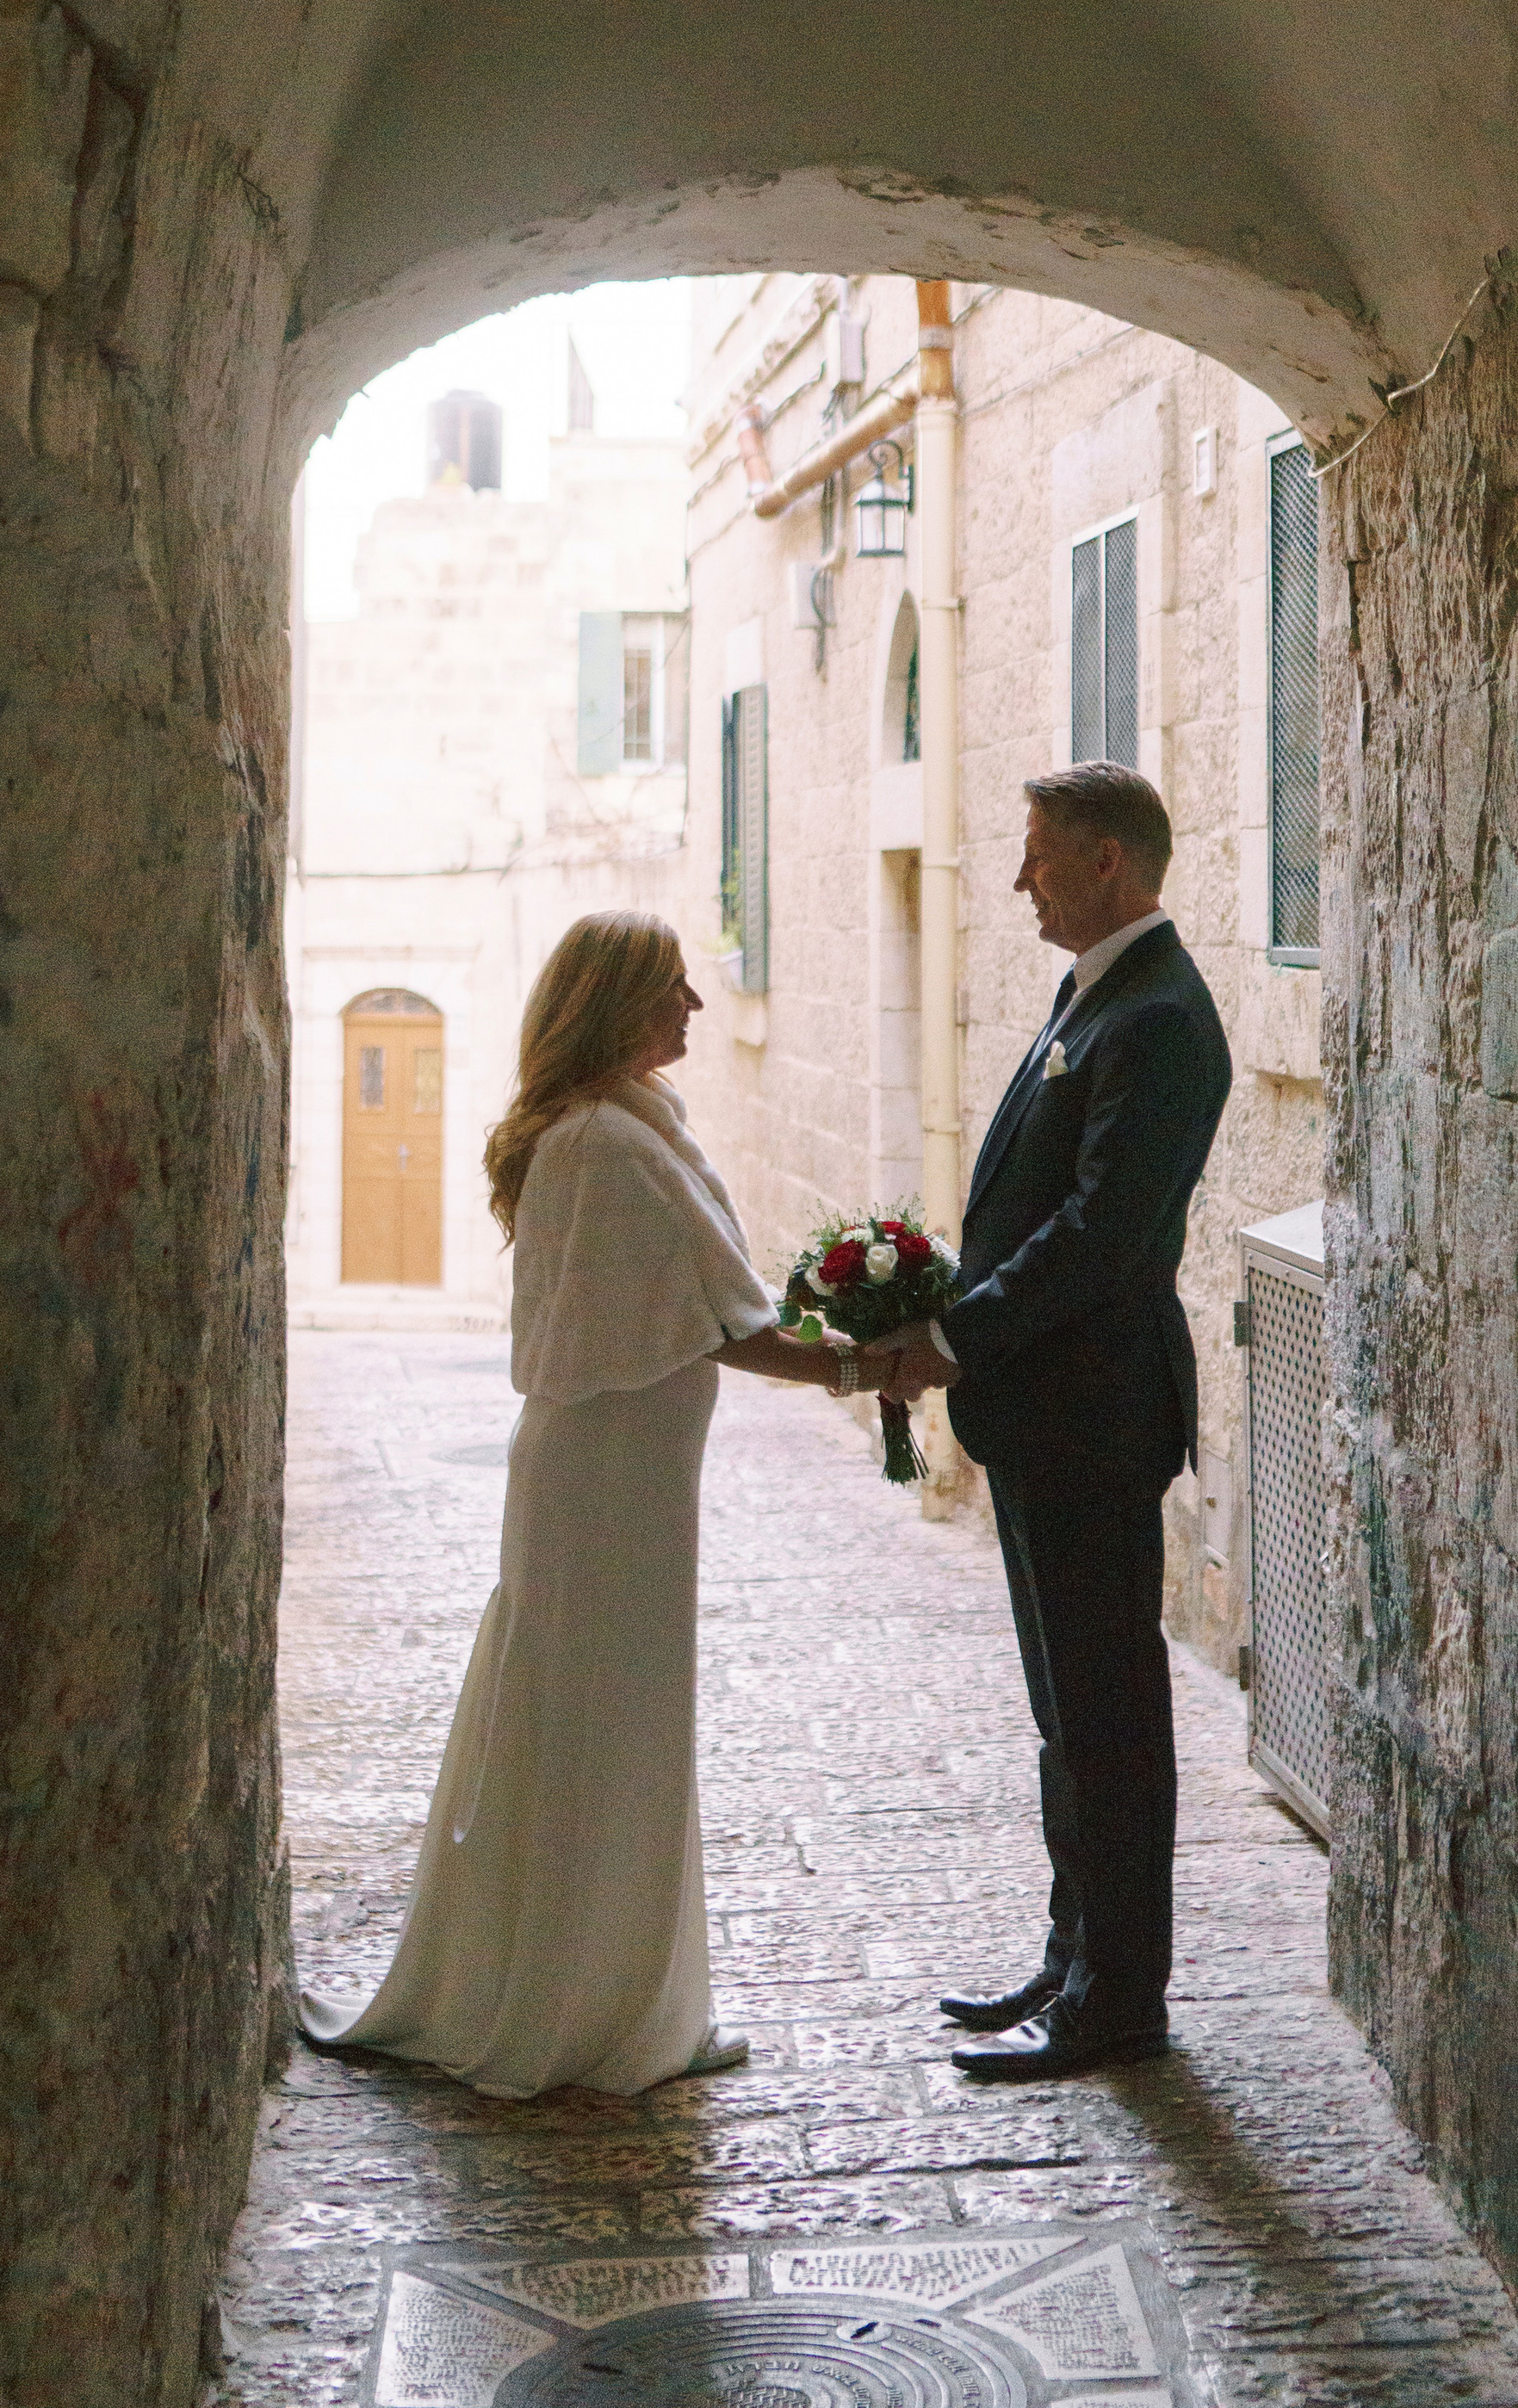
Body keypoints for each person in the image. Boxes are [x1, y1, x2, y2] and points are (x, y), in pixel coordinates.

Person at [301, 911, 898, 2098]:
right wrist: (864, 1367)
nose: (695, 1004)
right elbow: (723, 1327)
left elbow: (714, 1302)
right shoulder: (602, 1146)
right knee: (601, 1731)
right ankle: (584, 2011)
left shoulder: (631, 1120)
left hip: (630, 1477)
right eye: (672, 986)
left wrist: (854, 1344)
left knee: (620, 1724)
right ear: (617, 1003)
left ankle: (625, 1994)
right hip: (606, 1486)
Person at [883, 762, 1231, 2079]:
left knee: (1108, 1714)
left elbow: (1100, 1234)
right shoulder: (1093, 994)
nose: (1017, 878)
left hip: (1095, 1413)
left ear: (1106, 863)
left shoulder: (1161, 1018)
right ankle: (1072, 1951)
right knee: (1065, 1711)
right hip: (1046, 1412)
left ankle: (1119, 1999)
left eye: (1037, 853)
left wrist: (952, 1335)